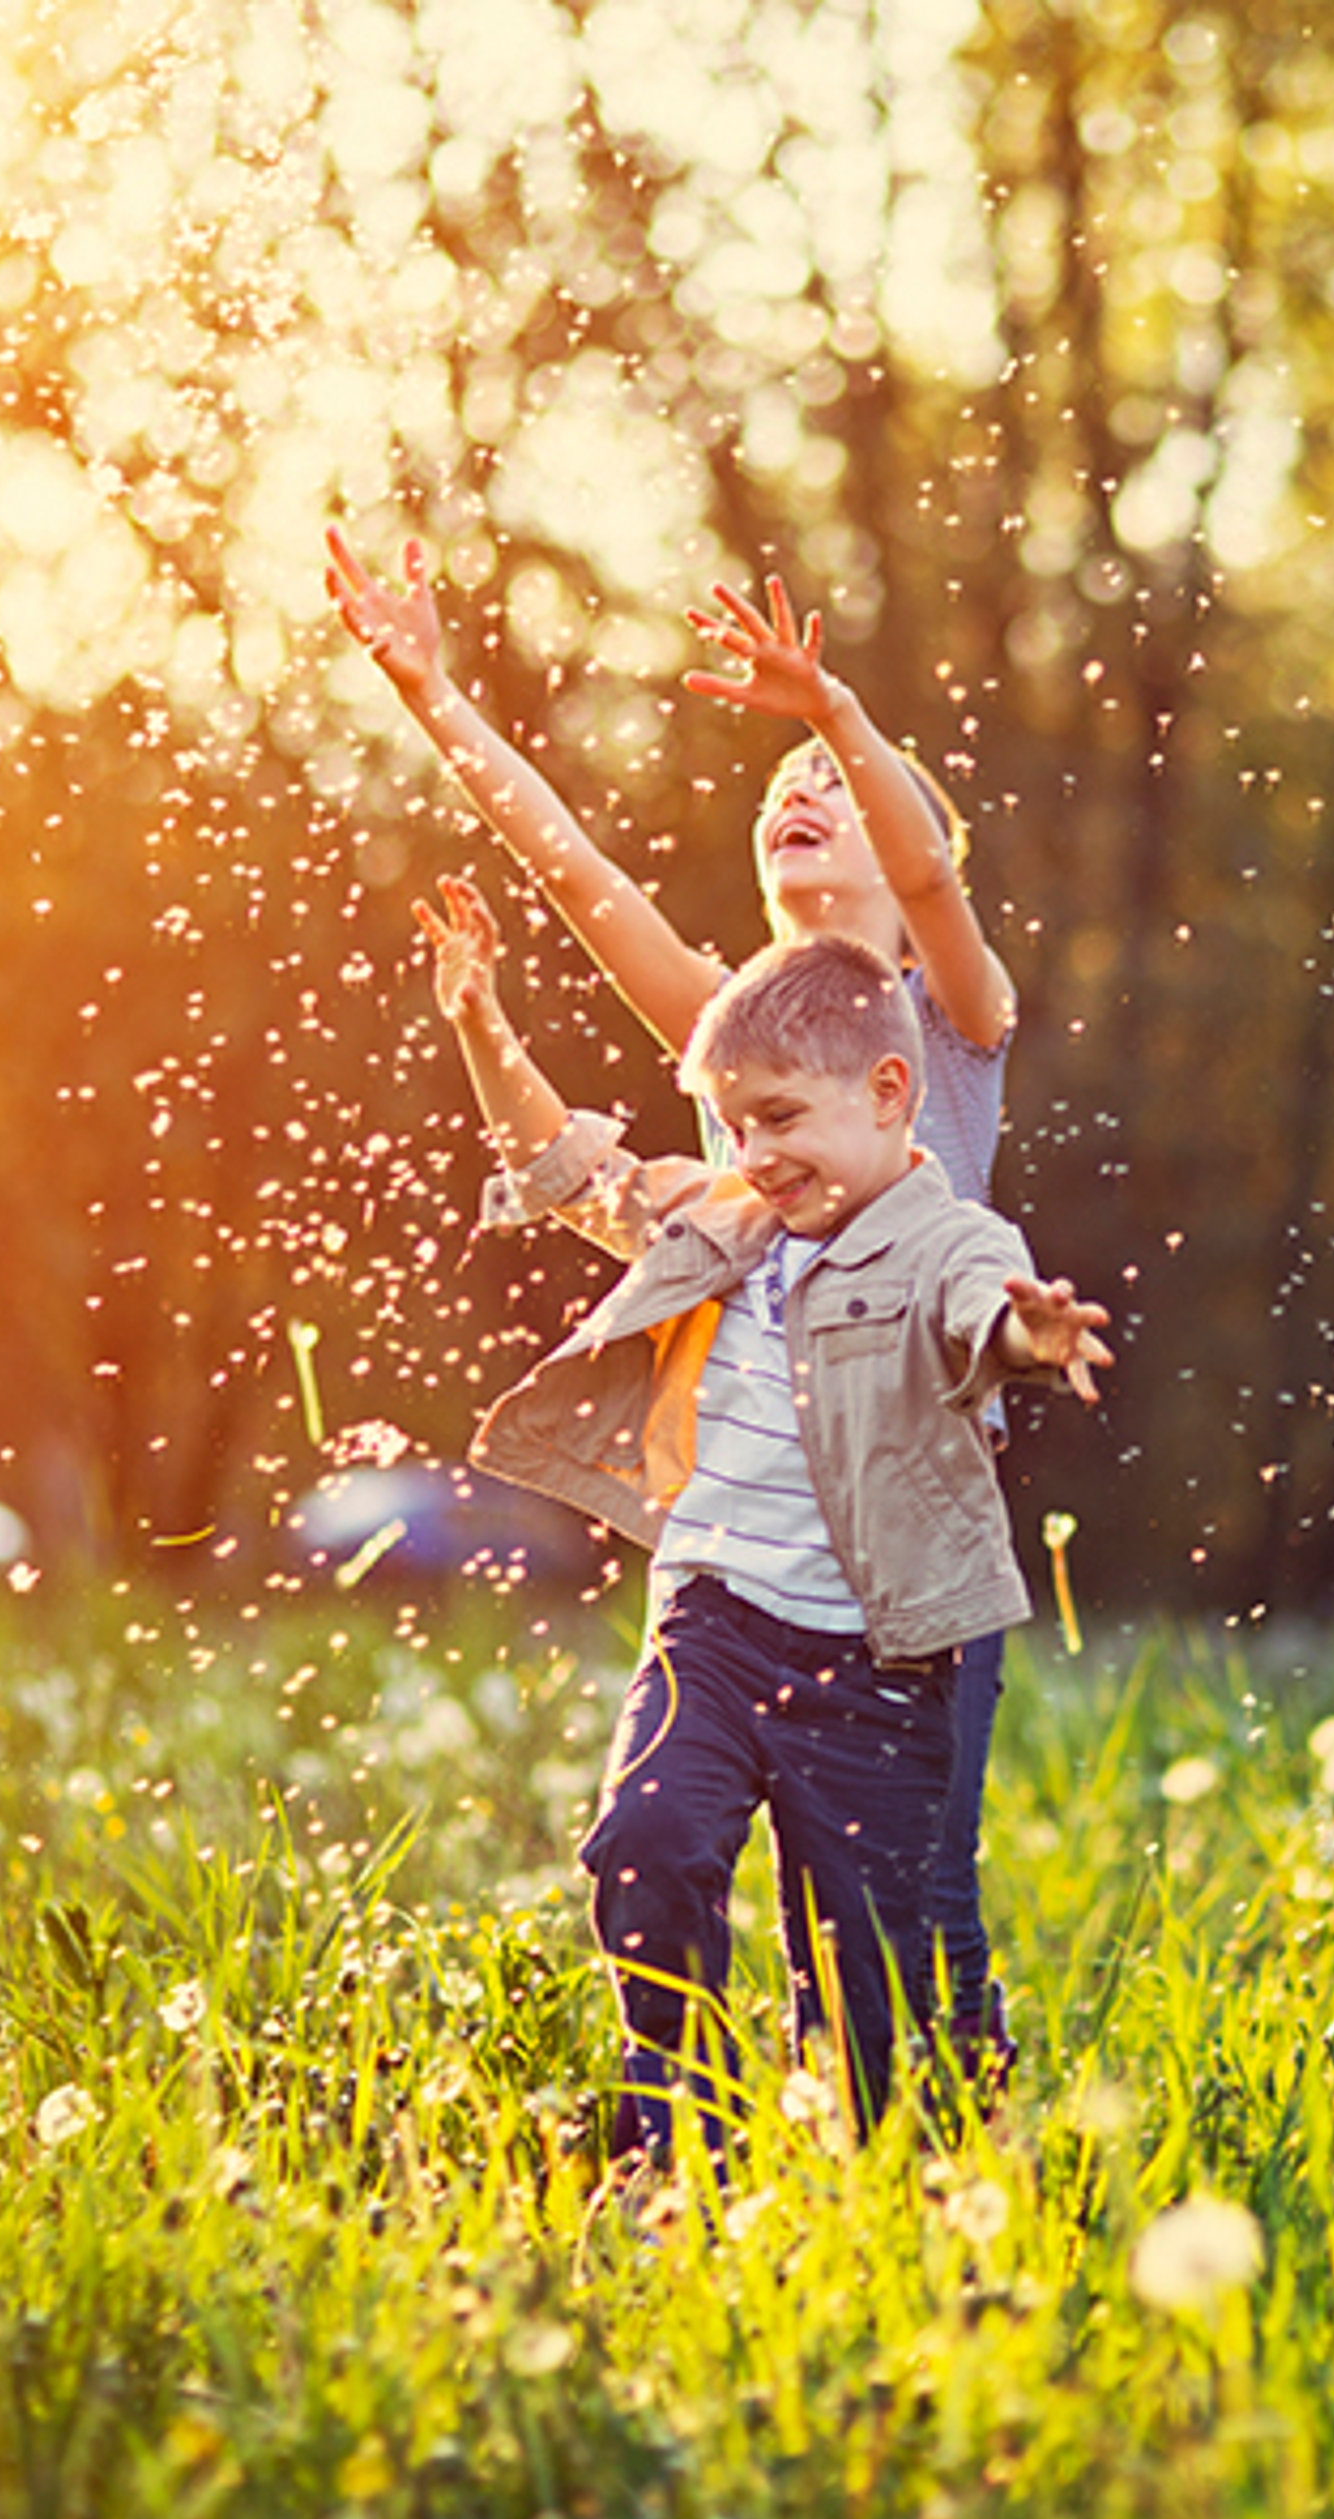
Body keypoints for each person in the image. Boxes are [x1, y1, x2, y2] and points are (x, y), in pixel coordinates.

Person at [334, 529, 1028, 2072]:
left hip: (907, 1571)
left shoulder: (953, 1025)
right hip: (749, 1556)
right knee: (678, 1838)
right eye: (784, 791)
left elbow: (926, 867)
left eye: (838, 798)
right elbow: (577, 878)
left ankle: (953, 2163)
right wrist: (437, 696)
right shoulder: (740, 1047)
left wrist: (836, 719)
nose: (799, 797)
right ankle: (708, 2134)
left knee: (916, 1920)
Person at [418, 901, 1109, 2177]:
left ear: (889, 1090)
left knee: (872, 1995)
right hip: (714, 1629)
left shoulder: (952, 1240)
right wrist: (480, 1024)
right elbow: (574, 1171)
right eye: (737, 1122)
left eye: (782, 1117)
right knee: (646, 1839)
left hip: (879, 1670)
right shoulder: (724, 1218)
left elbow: (980, 1315)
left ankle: (905, 2181)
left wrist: (1031, 1337)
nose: (756, 1149)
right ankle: (673, 2137)